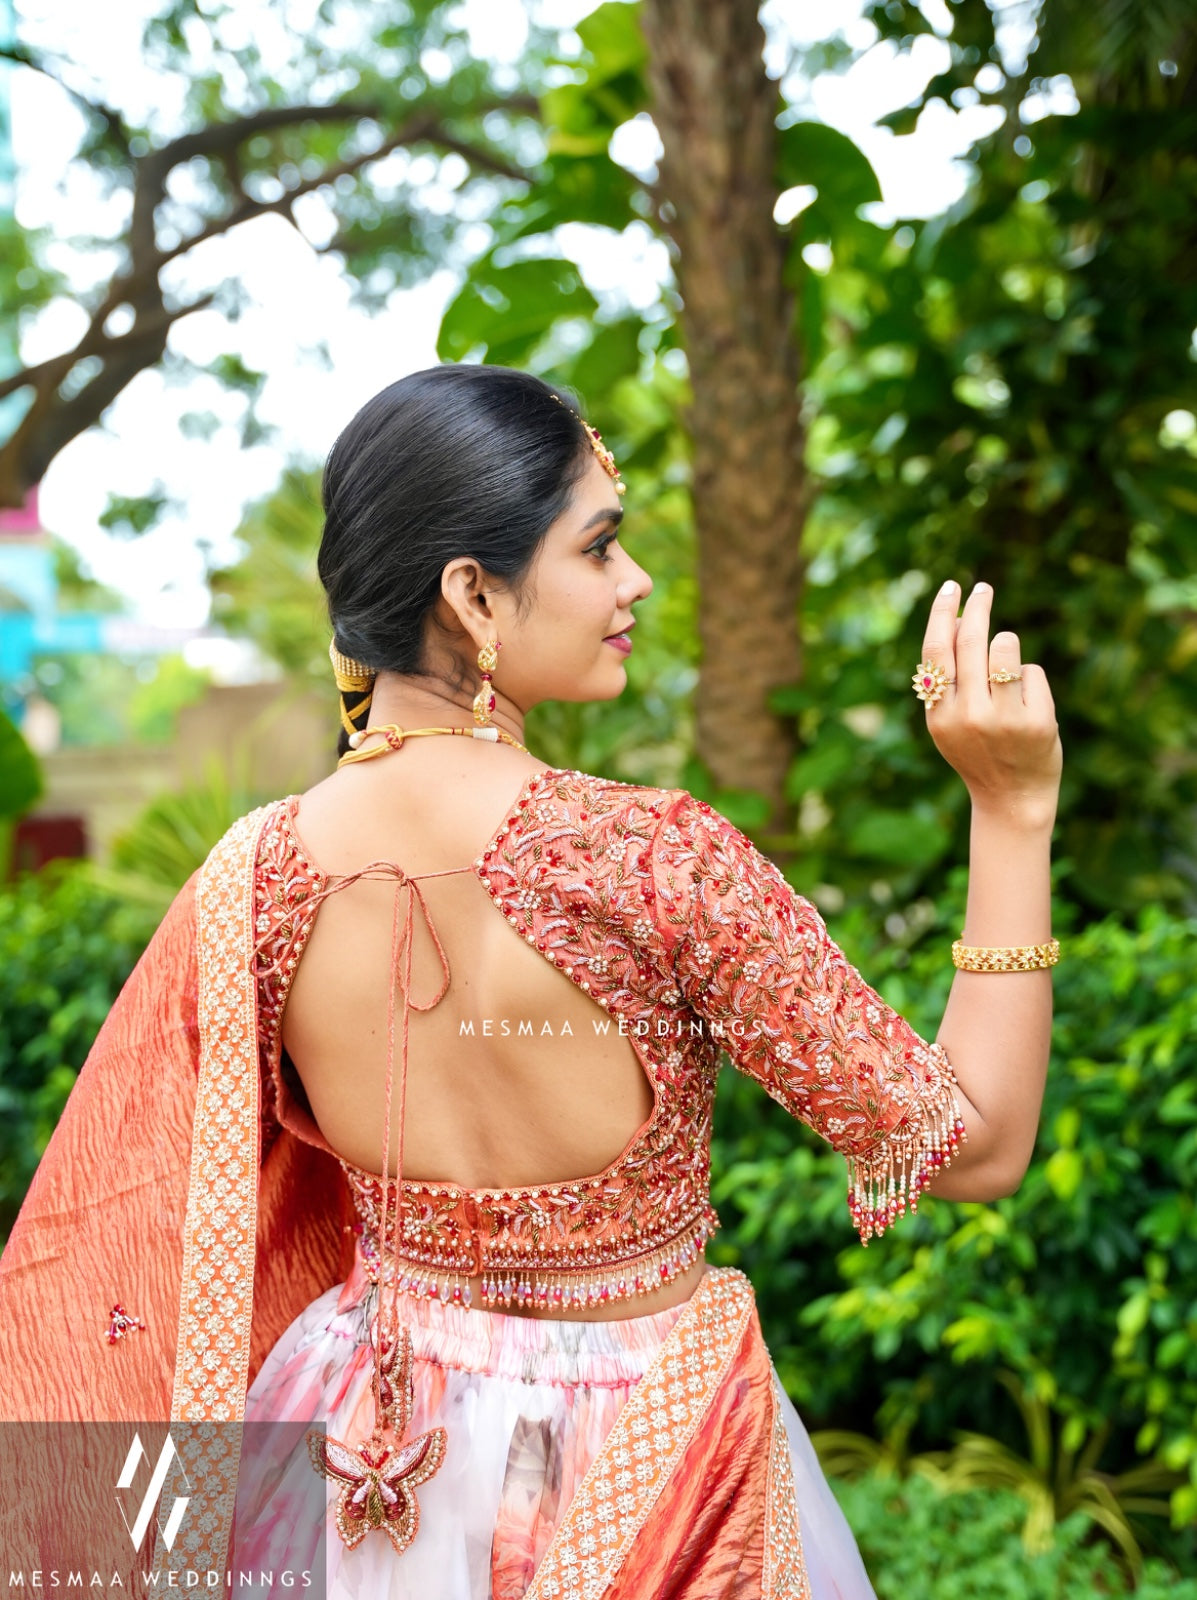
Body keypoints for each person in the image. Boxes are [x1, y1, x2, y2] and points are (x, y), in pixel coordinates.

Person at [0, 363, 1063, 1598]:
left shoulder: (252, 882)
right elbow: (971, 1146)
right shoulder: (655, 860)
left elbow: (123, 1226)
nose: (634, 583)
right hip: (644, 1461)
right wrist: (1011, 809)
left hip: (354, 1477)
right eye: (599, 547)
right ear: (472, 594)